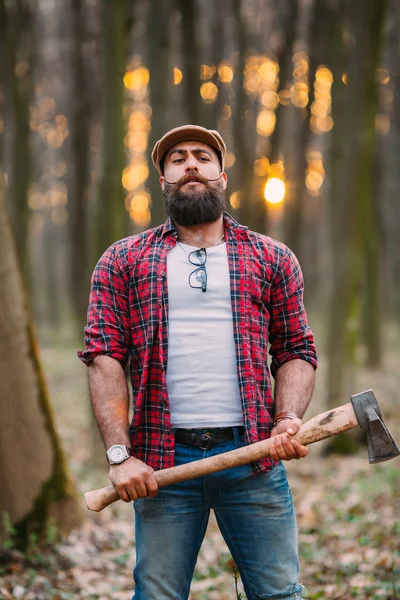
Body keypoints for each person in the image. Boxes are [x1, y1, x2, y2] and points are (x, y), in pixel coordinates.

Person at [78, 124, 317, 600]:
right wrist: (119, 456)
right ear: (163, 179)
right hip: (162, 467)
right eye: (178, 158)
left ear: (222, 175)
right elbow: (104, 355)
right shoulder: (123, 260)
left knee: (280, 594)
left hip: (254, 460)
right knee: (158, 595)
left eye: (203, 157)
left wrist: (288, 418)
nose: (191, 164)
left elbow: (295, 349)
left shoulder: (272, 257)